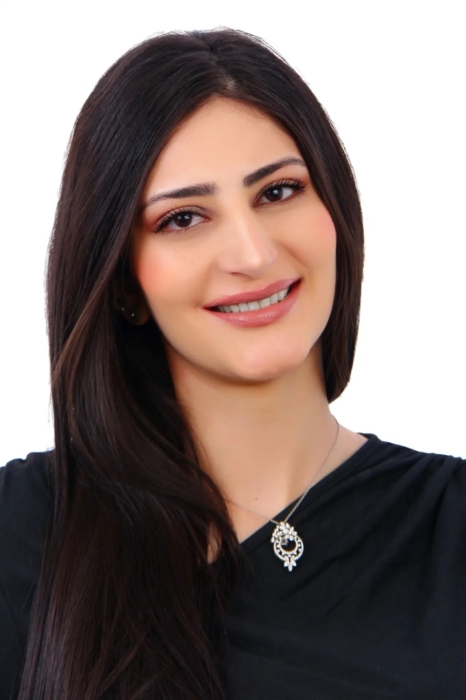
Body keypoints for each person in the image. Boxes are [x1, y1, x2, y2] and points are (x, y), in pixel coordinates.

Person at [0, 27, 464, 700]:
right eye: (184, 219)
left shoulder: (451, 528)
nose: (253, 254)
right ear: (124, 281)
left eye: (278, 191)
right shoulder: (24, 532)